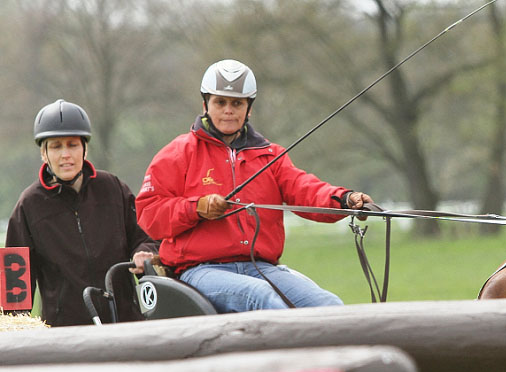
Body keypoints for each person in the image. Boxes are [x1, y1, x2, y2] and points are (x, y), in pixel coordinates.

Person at [135, 59, 374, 313]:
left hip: (261, 267)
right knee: (260, 297)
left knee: (330, 306)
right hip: (201, 270)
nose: (229, 110)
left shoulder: (271, 156)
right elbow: (150, 213)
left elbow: (304, 189)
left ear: (249, 109)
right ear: (205, 105)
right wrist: (197, 208)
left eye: (237, 103)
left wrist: (345, 199)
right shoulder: (177, 153)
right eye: (220, 102)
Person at [5, 99, 157, 326]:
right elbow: (16, 287)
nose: (66, 154)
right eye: (56, 146)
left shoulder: (113, 188)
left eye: (72, 144)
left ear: (84, 148)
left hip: (125, 323)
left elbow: (146, 237)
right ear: (44, 154)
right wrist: (18, 332)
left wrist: (143, 253)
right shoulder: (28, 205)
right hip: (65, 334)